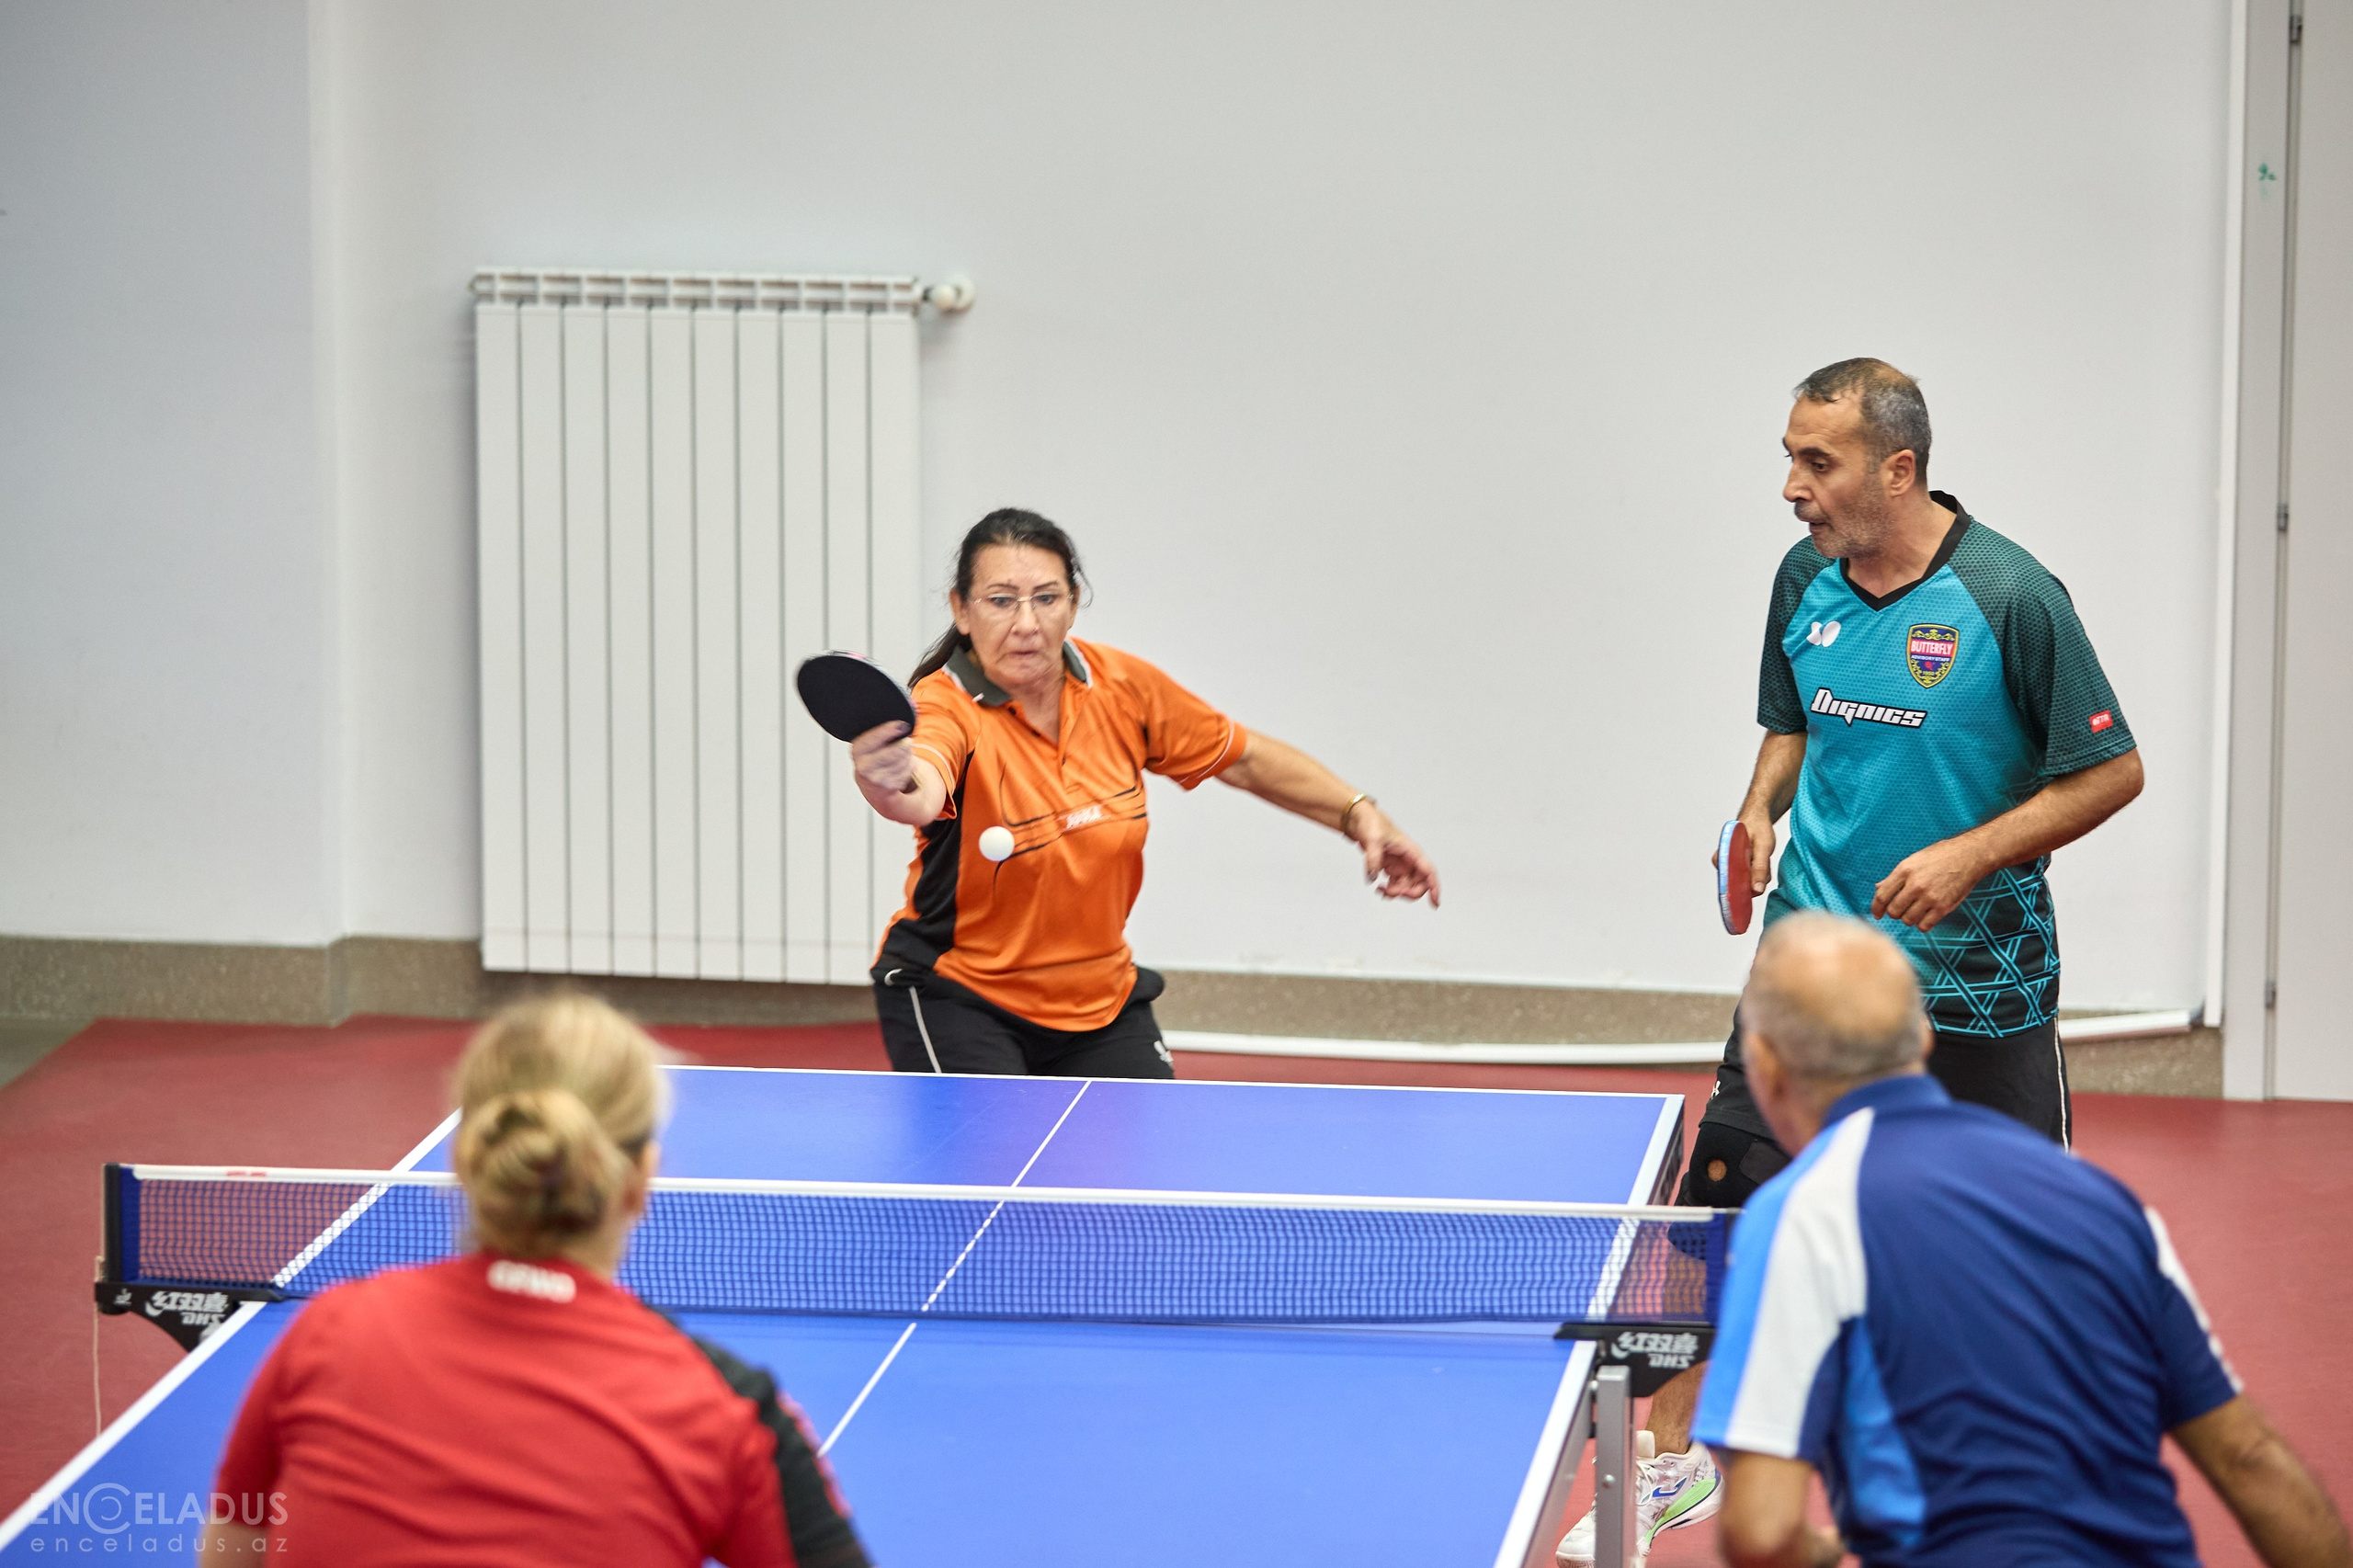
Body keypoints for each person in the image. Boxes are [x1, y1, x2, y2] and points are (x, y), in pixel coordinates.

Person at [1560, 358, 2146, 1563]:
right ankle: (1673, 1463)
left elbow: (2110, 771)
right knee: (1717, 1213)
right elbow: (1789, 723)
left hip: (1969, 984)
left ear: (1900, 469)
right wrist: (1759, 808)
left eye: (1815, 461)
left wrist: (1974, 853)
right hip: (1810, 961)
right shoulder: (1804, 577)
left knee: (2005, 1252)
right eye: (1789, 456)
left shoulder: (2012, 596)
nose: (1791, 485)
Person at [1695, 913, 2348, 1568]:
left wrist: (1825, 1549)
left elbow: (1762, 1533)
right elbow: (2252, 1459)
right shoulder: (2101, 1201)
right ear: (1921, 1040)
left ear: (1767, 1068)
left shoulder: (1802, 1213)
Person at [206, 995, 869, 1567]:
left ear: (466, 1160)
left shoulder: (328, 1332)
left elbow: (233, 1547)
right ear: (641, 1179)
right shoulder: (726, 1409)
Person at [851, 507, 1439, 1077]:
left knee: (1140, 1174)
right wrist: (885, 777)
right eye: (1001, 600)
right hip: (960, 996)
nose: (1026, 623)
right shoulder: (945, 705)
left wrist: (1359, 815)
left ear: (1074, 604)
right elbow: (919, 789)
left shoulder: (1121, 687)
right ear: (961, 609)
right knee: (992, 1165)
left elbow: (1245, 760)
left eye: (1047, 598)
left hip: (1099, 1002)